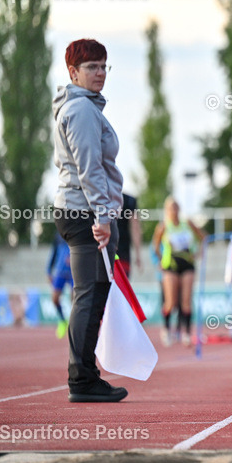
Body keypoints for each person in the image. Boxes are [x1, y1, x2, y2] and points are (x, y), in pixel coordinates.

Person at [51, 38, 126, 402]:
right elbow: (90, 170)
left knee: (94, 294)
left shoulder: (85, 107)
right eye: (91, 67)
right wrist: (103, 216)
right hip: (84, 213)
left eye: (103, 66)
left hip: (82, 210)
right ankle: (81, 381)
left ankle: (86, 375)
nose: (99, 73)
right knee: (89, 295)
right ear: (73, 72)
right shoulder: (80, 110)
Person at [151, 197, 205, 346]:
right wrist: (161, 260)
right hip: (171, 266)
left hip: (188, 264)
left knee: (186, 301)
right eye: (170, 208)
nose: (173, 211)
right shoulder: (163, 227)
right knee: (171, 302)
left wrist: (198, 253)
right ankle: (167, 330)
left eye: (175, 207)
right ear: (166, 211)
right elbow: (155, 246)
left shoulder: (187, 224)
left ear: (179, 209)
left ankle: (186, 333)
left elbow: (203, 237)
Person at [46, 233, 72, 339]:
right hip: (60, 272)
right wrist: (48, 271)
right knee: (55, 298)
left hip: (73, 271)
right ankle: (62, 320)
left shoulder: (78, 225)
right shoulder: (58, 234)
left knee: (75, 298)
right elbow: (54, 252)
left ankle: (74, 323)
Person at [115, 192, 142, 278]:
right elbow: (135, 228)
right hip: (122, 252)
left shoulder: (98, 197)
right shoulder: (129, 200)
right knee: (120, 287)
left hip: (101, 250)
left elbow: (135, 228)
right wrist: (138, 255)